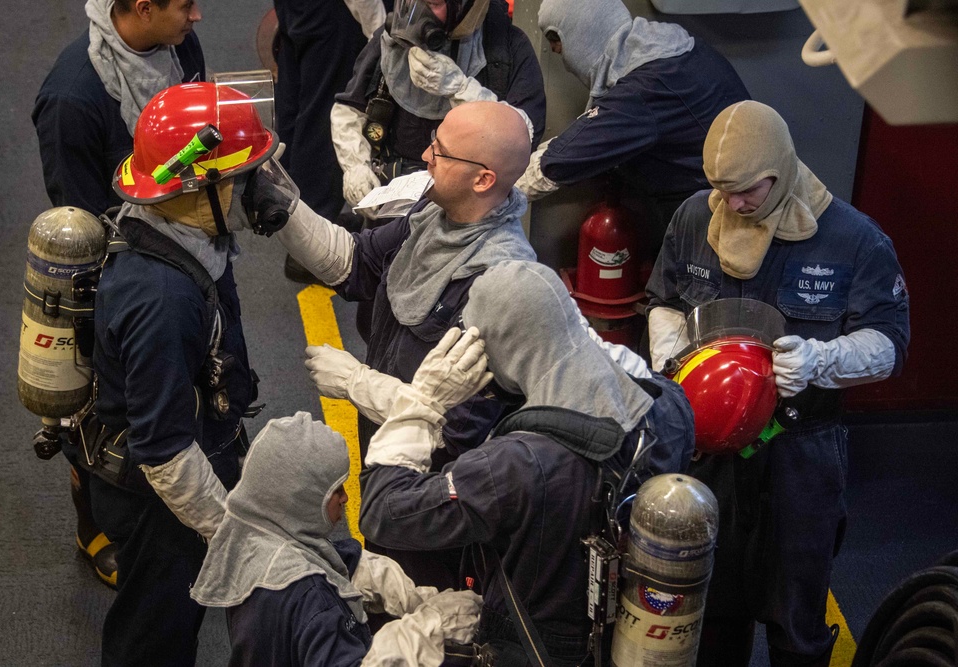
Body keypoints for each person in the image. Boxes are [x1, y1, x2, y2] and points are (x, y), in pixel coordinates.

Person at [645, 101, 911, 667]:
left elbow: (890, 344)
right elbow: (664, 299)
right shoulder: (698, 216)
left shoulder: (852, 239)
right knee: (711, 606)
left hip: (801, 451)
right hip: (710, 451)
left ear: (781, 169)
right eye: (722, 189)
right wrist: (669, 349)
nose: (734, 204)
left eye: (749, 190)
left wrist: (823, 358)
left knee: (796, 614)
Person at [353, 261, 695, 666]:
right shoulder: (670, 406)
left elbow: (382, 512)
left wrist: (422, 402)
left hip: (536, 650)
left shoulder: (517, 465)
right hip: (633, 639)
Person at [278, 100, 535, 590]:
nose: (424, 155)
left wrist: (358, 383)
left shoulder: (502, 286)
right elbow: (355, 264)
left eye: (439, 151)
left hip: (435, 496)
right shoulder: (433, 215)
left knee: (423, 613)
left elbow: (459, 430)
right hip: (388, 448)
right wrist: (285, 211)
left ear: (482, 180)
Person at [79, 81, 291, 666]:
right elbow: (165, 451)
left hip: (188, 452)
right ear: (202, 185)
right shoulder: (162, 297)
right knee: (155, 637)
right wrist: (229, 536)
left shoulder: (182, 233)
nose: (258, 189)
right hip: (158, 500)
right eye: (244, 177)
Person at [31, 0, 205, 586]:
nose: (198, 16)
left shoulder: (177, 47)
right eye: (185, 4)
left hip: (189, 246)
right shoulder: (74, 99)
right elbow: (78, 223)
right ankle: (93, 528)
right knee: (101, 416)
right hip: (115, 277)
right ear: (142, 6)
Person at [190, 413, 482, 666]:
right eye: (336, 490)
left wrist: (395, 587)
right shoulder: (313, 601)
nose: (345, 497)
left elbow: (328, 557)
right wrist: (424, 631)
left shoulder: (252, 536)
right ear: (300, 498)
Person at [515, 0, 749, 253]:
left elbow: (564, 159)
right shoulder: (670, 46)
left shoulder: (646, 87)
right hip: (739, 201)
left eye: (561, 48)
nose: (566, 62)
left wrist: (494, 189)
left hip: (719, 219)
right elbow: (592, 130)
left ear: (581, 35)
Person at [331, 0, 546, 216]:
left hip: (468, 212)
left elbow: (523, 136)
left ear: (466, 8)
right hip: (390, 198)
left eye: (433, 3)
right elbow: (349, 109)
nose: (417, 11)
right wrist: (355, 167)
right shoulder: (388, 41)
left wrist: (461, 89)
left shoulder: (507, 48)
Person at [272, 0, 386, 282]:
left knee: (297, 98)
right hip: (337, 12)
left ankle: (287, 207)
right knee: (326, 115)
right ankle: (312, 245)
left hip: (303, 9)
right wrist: (380, 31)